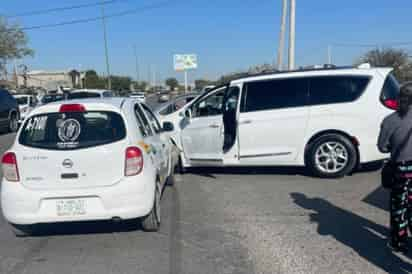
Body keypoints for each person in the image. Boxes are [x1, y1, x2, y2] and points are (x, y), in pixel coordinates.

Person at [378, 82, 412, 254]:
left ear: (399, 99)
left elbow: (382, 147)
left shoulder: (390, 120)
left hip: (401, 168)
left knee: (399, 206)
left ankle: (399, 241)